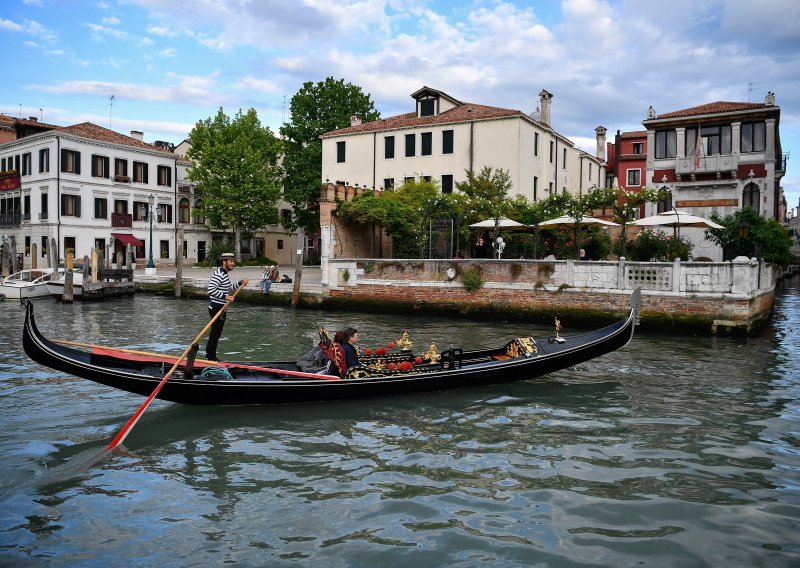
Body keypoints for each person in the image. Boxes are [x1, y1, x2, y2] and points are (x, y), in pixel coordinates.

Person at [205, 252, 248, 361]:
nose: (233, 263)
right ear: (224, 262)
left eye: (233, 261)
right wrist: (226, 297)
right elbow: (211, 290)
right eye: (231, 261)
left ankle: (211, 356)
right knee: (215, 334)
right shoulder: (220, 274)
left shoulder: (224, 274)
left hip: (220, 308)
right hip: (216, 308)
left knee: (216, 333)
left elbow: (228, 286)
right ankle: (211, 357)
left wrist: (240, 283)